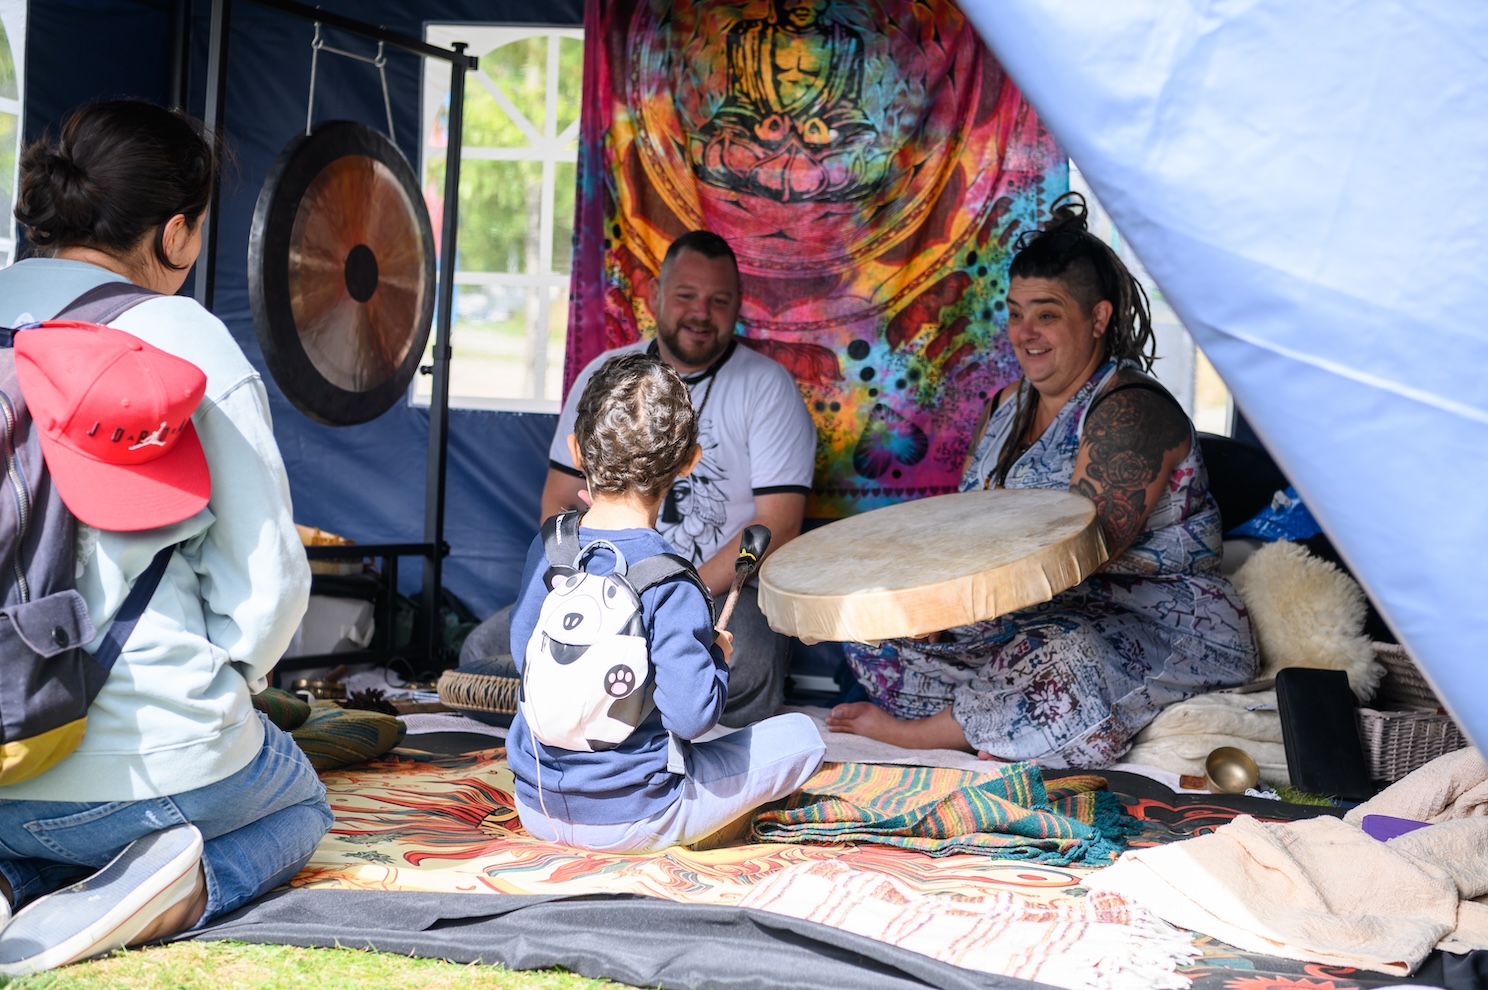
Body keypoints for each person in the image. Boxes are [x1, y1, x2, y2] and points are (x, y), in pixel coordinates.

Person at [0, 99, 327, 974]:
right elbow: (268, 583)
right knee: (299, 802)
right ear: (177, 234)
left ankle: (12, 874)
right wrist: (232, 683)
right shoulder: (179, 335)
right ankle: (153, 891)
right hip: (141, 768)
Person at [826, 193, 1258, 768]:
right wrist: (935, 609)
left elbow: (1073, 554)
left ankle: (937, 731)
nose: (1025, 332)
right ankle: (994, 715)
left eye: (1047, 313)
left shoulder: (1130, 409)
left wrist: (963, 610)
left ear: (1098, 318)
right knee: (873, 633)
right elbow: (964, 522)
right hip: (1031, 616)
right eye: (1015, 311)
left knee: (1059, 653)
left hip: (1156, 623)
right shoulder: (1005, 406)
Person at [462, 230, 817, 728]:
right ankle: (647, 704)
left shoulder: (766, 386)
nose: (701, 313)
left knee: (748, 662)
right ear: (655, 295)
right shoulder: (605, 375)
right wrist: (597, 584)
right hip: (599, 586)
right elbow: (559, 500)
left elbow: (776, 524)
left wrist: (675, 593)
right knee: (481, 651)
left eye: (719, 301)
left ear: (739, 306)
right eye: (686, 296)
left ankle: (609, 706)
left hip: (710, 590)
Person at [506, 351, 824, 853]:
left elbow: (524, 650)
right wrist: (715, 659)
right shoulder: (673, 581)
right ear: (689, 462)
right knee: (804, 737)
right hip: (638, 815)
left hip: (537, 807)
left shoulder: (551, 546)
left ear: (576, 450)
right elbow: (692, 717)